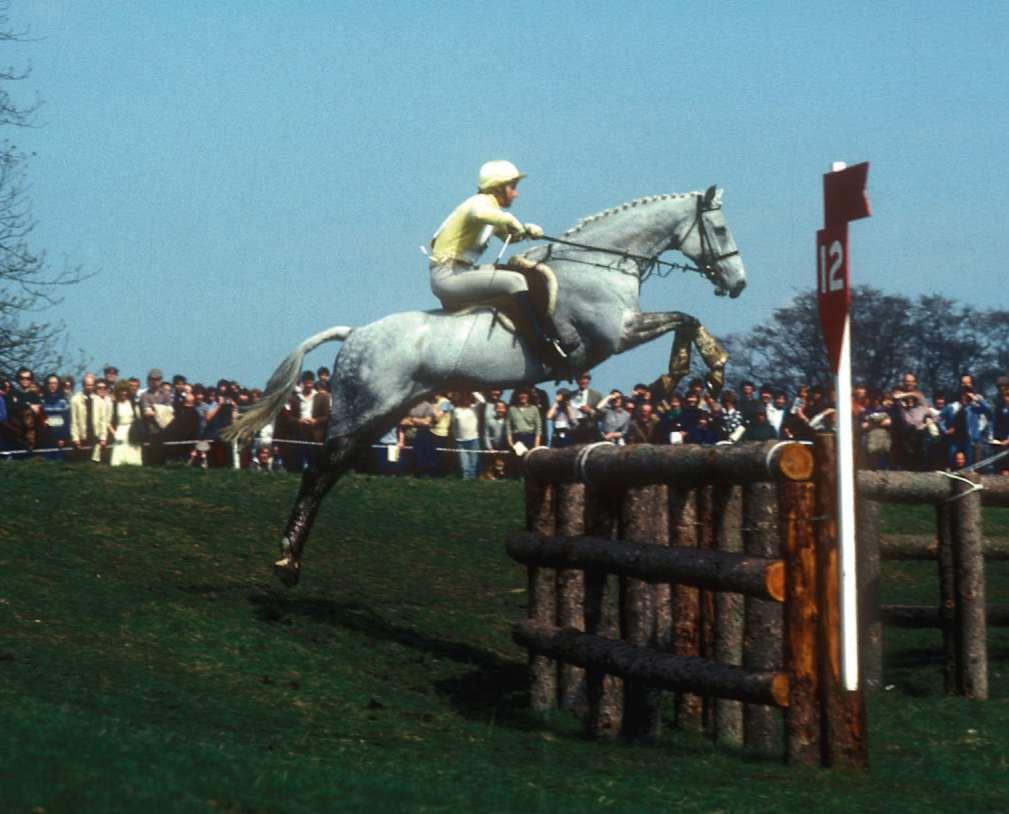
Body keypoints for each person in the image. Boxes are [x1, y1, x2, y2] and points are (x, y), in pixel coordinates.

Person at [428, 160, 578, 365]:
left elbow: (510, 236)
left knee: (522, 275)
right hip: (448, 276)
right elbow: (484, 215)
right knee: (515, 281)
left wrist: (526, 231)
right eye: (512, 187)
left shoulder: (492, 209)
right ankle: (543, 344)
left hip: (460, 271)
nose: (516, 194)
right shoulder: (479, 202)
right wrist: (510, 220)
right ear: (498, 188)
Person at [108, 379, 143, 466]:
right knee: (119, 459)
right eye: (121, 391)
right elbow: (108, 422)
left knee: (133, 459)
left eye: (125, 390)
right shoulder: (114, 404)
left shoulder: (133, 403)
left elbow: (138, 418)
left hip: (132, 431)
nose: (123, 393)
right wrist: (115, 433)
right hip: (120, 431)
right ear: (117, 392)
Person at [40, 373, 71, 459]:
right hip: (45, 438)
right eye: (50, 383)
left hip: (60, 438)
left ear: (58, 385)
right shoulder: (42, 400)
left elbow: (67, 421)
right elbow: (41, 420)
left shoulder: (63, 401)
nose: (52, 386)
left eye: (55, 383)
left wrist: (63, 438)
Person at [450, 392, 481, 479]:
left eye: (467, 397)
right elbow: (454, 426)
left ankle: (472, 480)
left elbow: (482, 400)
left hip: (473, 440)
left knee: (473, 463)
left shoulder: (474, 408)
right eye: (463, 397)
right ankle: (465, 480)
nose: (465, 399)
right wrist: (456, 437)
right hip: (460, 441)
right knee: (464, 464)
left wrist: (473, 390)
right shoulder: (456, 410)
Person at [506, 388, 542, 453]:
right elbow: (508, 428)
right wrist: (510, 443)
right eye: (521, 394)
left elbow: (538, 428)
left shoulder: (534, 409)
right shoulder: (512, 409)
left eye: (525, 394)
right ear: (517, 395)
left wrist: (536, 444)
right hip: (516, 438)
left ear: (528, 396)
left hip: (530, 438)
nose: (523, 396)